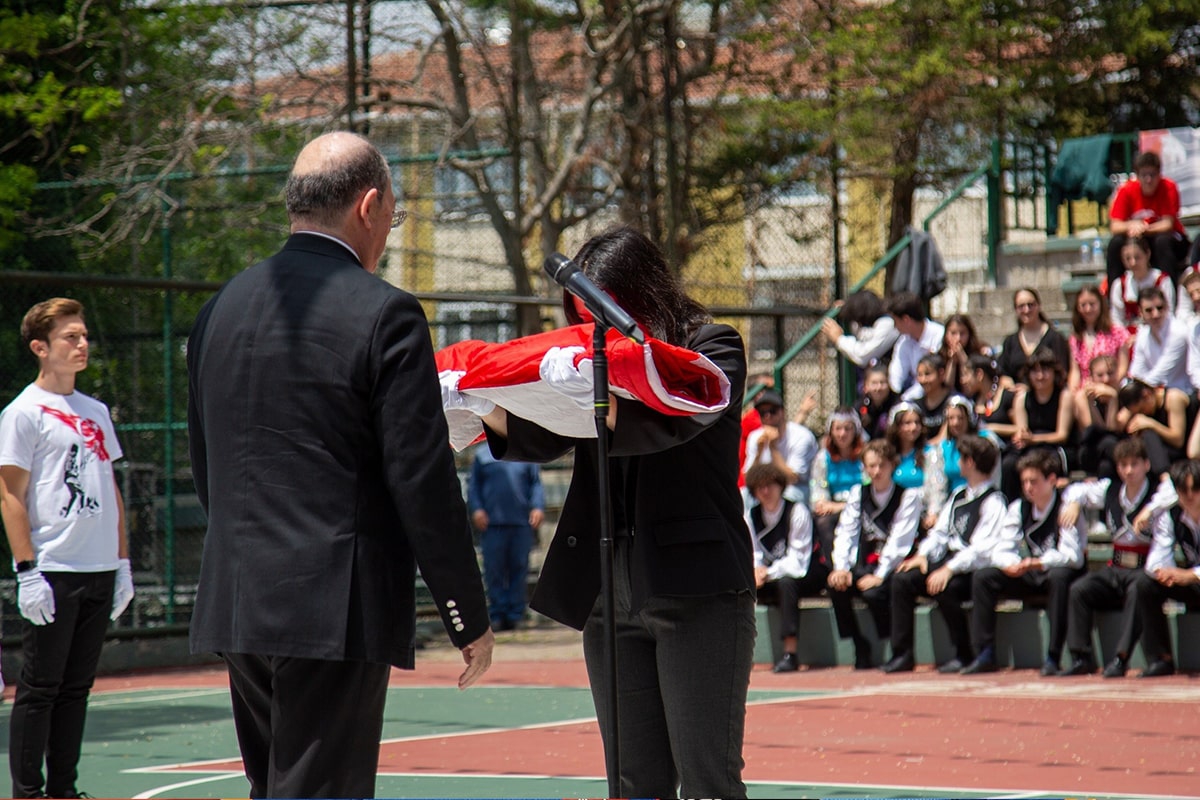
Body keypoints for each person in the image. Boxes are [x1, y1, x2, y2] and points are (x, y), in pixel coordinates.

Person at [185, 132, 494, 798]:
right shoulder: (386, 313)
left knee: (274, 786)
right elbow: (421, 477)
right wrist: (466, 612)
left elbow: (206, 461)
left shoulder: (220, 310)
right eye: (392, 217)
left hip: (240, 596)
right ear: (370, 205)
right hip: (334, 602)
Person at [460, 225, 756, 798]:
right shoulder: (588, 364)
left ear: (639, 294)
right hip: (606, 587)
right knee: (630, 782)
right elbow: (543, 433)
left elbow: (669, 420)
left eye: (600, 312)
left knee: (708, 782)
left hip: (693, 590)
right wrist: (480, 398)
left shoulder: (713, 348)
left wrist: (586, 383)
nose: (590, 329)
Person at [0, 298, 134, 800]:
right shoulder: (23, 413)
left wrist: (122, 564)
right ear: (40, 347)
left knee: (77, 689)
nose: (82, 344)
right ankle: (27, 792)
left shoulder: (96, 410)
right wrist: (27, 570)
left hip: (100, 567)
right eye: (69, 337)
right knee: (40, 689)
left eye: (83, 335)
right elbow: (10, 495)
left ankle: (63, 789)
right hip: (54, 568)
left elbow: (111, 488)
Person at [880, 435, 1007, 674]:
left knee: (944, 587)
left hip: (969, 569)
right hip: (947, 562)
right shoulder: (959, 494)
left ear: (970, 462)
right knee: (902, 580)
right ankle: (902, 653)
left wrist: (948, 570)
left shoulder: (994, 501)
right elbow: (939, 533)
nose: (957, 463)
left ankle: (963, 652)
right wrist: (923, 556)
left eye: (961, 458)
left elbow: (981, 549)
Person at [1058, 436, 1175, 678]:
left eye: (1134, 464)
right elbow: (1076, 490)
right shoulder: (1111, 489)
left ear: (1146, 464)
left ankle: (1122, 657)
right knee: (1080, 589)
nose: (1129, 470)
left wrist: (1149, 510)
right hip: (1117, 566)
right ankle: (1081, 656)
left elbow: (1173, 492)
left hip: (1145, 566)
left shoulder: (1157, 492)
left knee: (1138, 589)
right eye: (1123, 465)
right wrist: (1073, 503)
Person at [962, 449, 1086, 676]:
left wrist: (1038, 562)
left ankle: (1053, 656)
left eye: (1034, 481)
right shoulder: (1019, 508)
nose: (1028, 487)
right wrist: (1011, 564)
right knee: (984, 576)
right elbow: (1002, 547)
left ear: (1051, 480)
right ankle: (985, 653)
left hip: (1056, 572)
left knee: (1059, 577)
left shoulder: (1066, 507)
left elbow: (1073, 557)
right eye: (1025, 482)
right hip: (1030, 571)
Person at [827, 439, 922, 669]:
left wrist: (879, 574)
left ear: (892, 466)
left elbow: (900, 541)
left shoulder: (908, 496)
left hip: (893, 565)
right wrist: (841, 568)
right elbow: (846, 532)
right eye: (871, 466)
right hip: (865, 565)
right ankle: (859, 645)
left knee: (874, 593)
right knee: (835, 586)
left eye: (881, 465)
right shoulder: (858, 493)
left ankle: (893, 646)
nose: (876, 471)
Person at [745, 463, 829, 673]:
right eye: (760, 487)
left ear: (780, 486)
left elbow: (797, 563)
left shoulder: (797, 511)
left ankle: (790, 653)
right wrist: (756, 570)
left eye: (770, 485)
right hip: (770, 575)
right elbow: (754, 552)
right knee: (739, 586)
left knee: (787, 583)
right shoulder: (751, 516)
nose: (765, 491)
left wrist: (767, 572)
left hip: (807, 573)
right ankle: (743, 653)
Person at [467, 444, 545, 631]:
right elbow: (474, 486)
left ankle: (515, 614)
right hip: (492, 525)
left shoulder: (527, 452)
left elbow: (536, 484)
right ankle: (497, 614)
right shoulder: (482, 454)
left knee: (519, 568)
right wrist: (477, 509)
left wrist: (537, 507)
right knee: (494, 571)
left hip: (521, 523)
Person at [1135, 458, 1200, 678]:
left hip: (1195, 577)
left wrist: (1190, 575)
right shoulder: (1171, 515)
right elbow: (1158, 558)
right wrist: (1166, 573)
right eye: (1183, 489)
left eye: (1196, 488)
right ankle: (1161, 659)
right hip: (1191, 584)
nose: (1190, 495)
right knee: (1146, 584)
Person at [1105, 150, 1191, 286]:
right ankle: (1114, 294)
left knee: (1162, 242)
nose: (1149, 180)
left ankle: (1169, 292)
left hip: (1169, 239)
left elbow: (1167, 224)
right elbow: (1115, 226)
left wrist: (1144, 228)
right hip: (1140, 238)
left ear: (1159, 174)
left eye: (1153, 175)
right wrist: (1132, 225)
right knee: (1116, 243)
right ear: (1137, 176)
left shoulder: (1168, 187)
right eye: (1144, 175)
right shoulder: (1126, 190)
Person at [1002, 347, 1075, 500]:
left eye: (1045, 370)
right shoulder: (1022, 398)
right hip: (1030, 445)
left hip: (1054, 446)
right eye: (1035, 371)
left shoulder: (1064, 395)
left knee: (1045, 465)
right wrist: (1022, 438)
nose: (1040, 376)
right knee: (1009, 463)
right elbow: (1023, 431)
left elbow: (1062, 435)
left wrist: (1033, 439)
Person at [743, 388, 818, 504]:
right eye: (762, 413)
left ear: (782, 412)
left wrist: (773, 448)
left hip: (798, 488)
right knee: (744, 495)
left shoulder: (801, 436)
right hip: (767, 488)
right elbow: (749, 480)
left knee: (788, 495)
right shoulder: (755, 437)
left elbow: (791, 478)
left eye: (772, 411)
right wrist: (759, 453)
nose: (767, 416)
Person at [809, 408, 866, 559]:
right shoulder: (823, 458)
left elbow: (870, 487)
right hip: (832, 507)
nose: (842, 434)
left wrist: (843, 506)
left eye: (848, 428)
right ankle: (833, 568)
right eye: (838, 429)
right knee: (823, 523)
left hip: (861, 506)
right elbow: (818, 489)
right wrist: (826, 504)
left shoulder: (864, 456)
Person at [996, 288, 1070, 390]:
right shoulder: (1010, 342)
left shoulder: (1055, 338)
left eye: (1030, 305)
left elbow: (1062, 372)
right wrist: (1008, 382)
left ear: (1039, 306)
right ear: (1015, 310)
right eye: (1021, 306)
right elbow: (1002, 372)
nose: (1026, 310)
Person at [1115, 377, 1191, 477]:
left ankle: (1164, 477)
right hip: (1164, 451)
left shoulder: (1172, 398)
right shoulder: (1147, 412)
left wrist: (1151, 424)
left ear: (1147, 395)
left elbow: (1178, 440)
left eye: (1142, 410)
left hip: (1185, 448)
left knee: (1149, 434)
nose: (1142, 414)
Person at [1127, 285, 1193, 394]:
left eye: (1159, 308)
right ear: (1140, 312)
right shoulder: (1142, 334)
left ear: (1167, 306)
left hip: (1183, 392)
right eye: (1149, 310)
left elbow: (1162, 372)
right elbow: (1137, 371)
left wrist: (1136, 390)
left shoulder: (1179, 332)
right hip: (1153, 392)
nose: (1156, 314)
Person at [1067, 284, 1130, 391]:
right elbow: (1075, 371)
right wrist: (1073, 390)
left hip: (1111, 386)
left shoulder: (1118, 333)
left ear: (1100, 304)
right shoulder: (1075, 338)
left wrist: (1108, 387)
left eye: (1092, 304)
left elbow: (1123, 367)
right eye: (1083, 305)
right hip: (1086, 391)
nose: (1088, 309)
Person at [884, 291, 945, 399]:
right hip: (913, 398)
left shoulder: (940, 335)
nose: (895, 326)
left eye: (896, 322)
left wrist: (906, 399)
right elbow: (896, 375)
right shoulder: (903, 342)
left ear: (906, 320)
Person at [820, 289, 899, 369]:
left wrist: (839, 339)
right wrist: (847, 307)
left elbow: (862, 357)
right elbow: (862, 334)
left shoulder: (888, 323)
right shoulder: (873, 322)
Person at [1109, 236, 1175, 333]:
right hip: (1129, 337)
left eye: (1137, 257)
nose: (1133, 263)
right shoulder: (1119, 284)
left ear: (1147, 254)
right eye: (1128, 258)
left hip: (1158, 331)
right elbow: (1116, 319)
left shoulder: (1162, 280)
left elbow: (1169, 313)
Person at [1074, 354, 1123, 480]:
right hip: (1091, 449)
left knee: (1106, 466)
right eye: (1100, 375)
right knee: (1108, 441)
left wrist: (1113, 399)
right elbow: (1092, 429)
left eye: (1110, 373)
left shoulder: (1124, 395)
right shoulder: (1082, 397)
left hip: (1112, 450)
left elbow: (1113, 429)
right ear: (1091, 378)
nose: (1106, 379)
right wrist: (1091, 403)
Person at [938, 314, 990, 393]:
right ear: (946, 335)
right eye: (953, 333)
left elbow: (969, 389)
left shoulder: (979, 352)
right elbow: (947, 387)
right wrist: (952, 362)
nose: (958, 338)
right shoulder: (941, 355)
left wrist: (962, 358)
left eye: (962, 333)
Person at [855, 364, 899, 441]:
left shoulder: (897, 404)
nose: (878, 388)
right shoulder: (860, 405)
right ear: (866, 386)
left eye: (882, 383)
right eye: (874, 383)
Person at [913, 353, 952, 439]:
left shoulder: (953, 402)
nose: (923, 380)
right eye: (920, 375)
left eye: (927, 374)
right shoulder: (916, 405)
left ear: (941, 374)